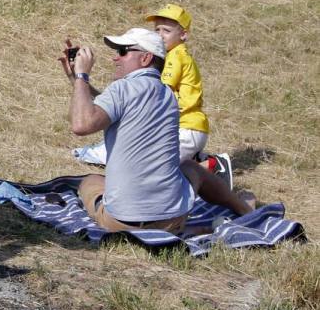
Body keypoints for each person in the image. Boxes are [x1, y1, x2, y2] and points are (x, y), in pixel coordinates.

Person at [58, 28, 253, 232]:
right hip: (173, 219)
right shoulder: (166, 94)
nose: (115, 58)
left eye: (123, 51)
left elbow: (81, 124)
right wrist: (77, 81)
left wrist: (81, 76)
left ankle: (111, 215)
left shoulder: (122, 89)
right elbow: (104, 108)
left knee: (91, 181)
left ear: (146, 58)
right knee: (192, 168)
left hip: (122, 223)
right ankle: (243, 210)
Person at [147, 3, 232, 187]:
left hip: (187, 127)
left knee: (159, 167)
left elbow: (163, 90)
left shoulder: (175, 57)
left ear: (183, 35)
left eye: (166, 31)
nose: (159, 35)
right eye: (157, 29)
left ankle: (213, 165)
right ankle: (198, 161)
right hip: (187, 126)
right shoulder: (174, 55)